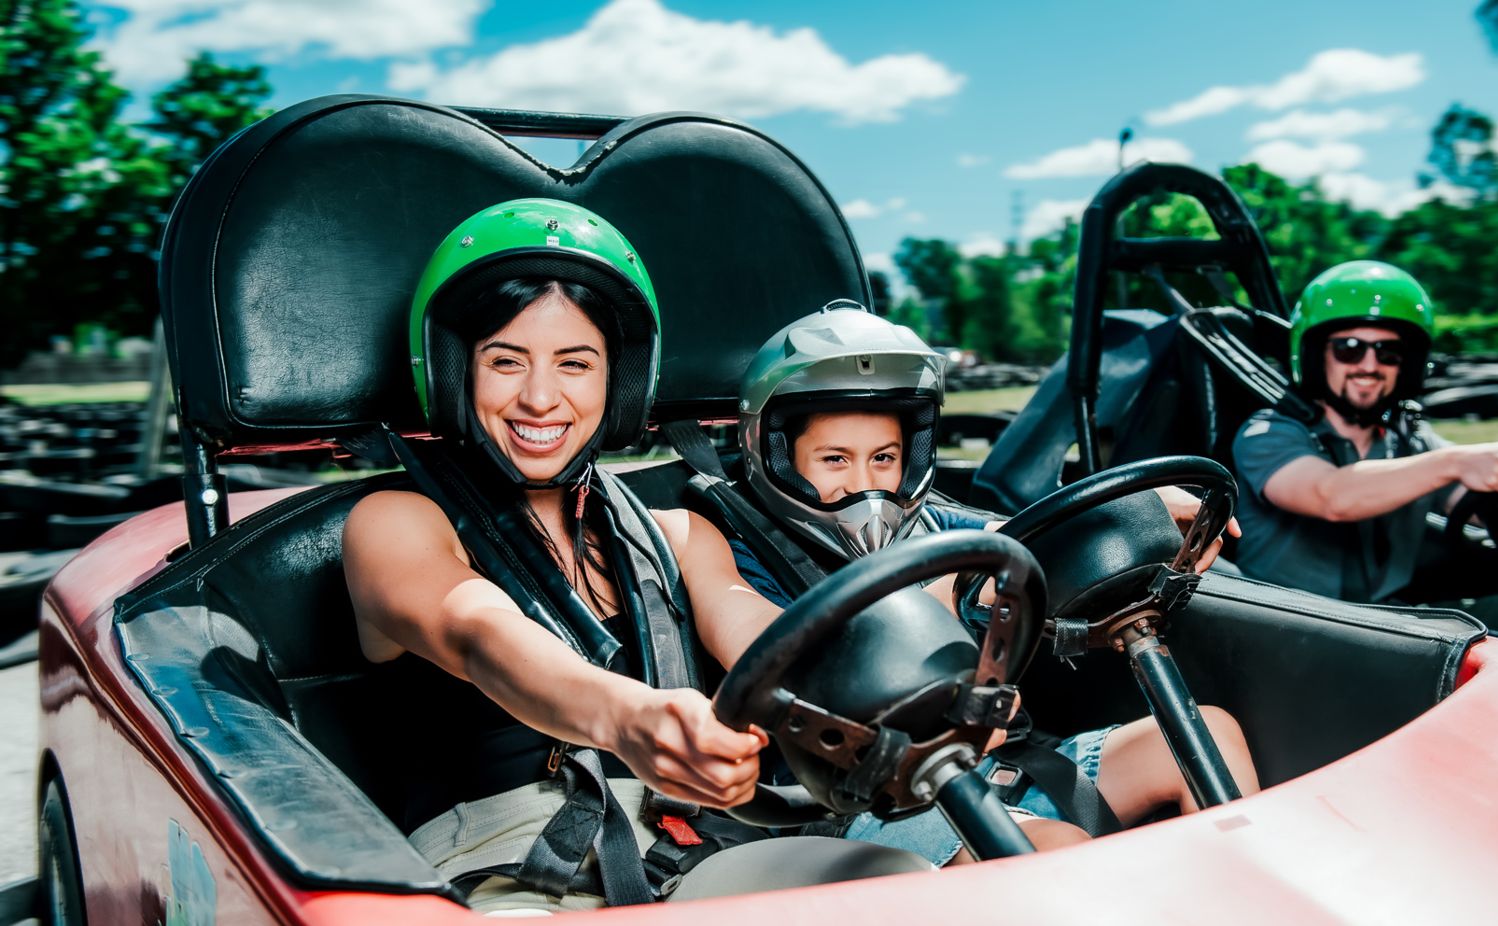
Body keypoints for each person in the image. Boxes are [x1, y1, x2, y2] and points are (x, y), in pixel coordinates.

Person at [342, 200, 1086, 913]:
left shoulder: (676, 534)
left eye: (575, 364)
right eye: (506, 361)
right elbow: (477, 632)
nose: (542, 396)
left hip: (698, 844)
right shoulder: (396, 522)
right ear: (455, 368)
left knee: (980, 877)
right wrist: (630, 718)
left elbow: (780, 643)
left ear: (618, 380)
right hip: (511, 858)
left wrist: (926, 699)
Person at [726, 301, 1260, 867]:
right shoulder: (746, 553)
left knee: (1212, 735)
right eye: (835, 459)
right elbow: (800, 660)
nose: (866, 484)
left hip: (996, 762)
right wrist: (970, 582)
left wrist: (1139, 512)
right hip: (865, 803)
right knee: (1057, 853)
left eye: (884, 458)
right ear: (778, 456)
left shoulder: (929, 520)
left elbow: (1027, 533)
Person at [1230, 260, 1498, 630]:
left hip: (1391, 623)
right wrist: (1454, 461)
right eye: (1349, 349)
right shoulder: (1268, 433)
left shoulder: (1408, 438)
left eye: (1388, 353)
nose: (1369, 365)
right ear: (1315, 355)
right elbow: (1331, 494)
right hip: (1293, 631)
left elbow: (1473, 501)